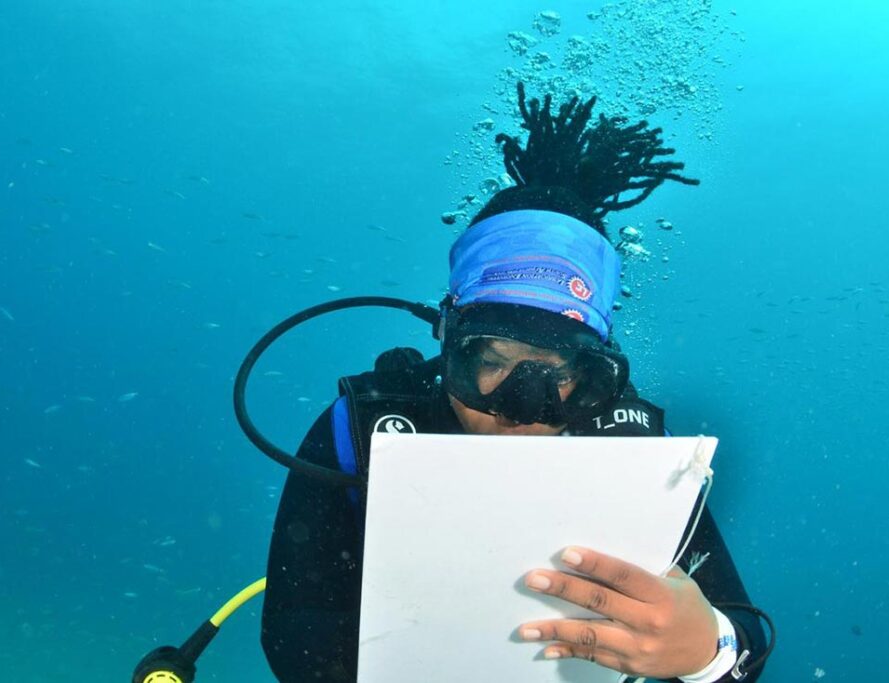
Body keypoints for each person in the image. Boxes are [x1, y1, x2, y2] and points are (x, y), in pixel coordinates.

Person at [261, 83, 773, 683]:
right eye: (492, 359)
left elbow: (744, 640)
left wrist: (706, 651)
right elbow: (290, 635)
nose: (521, 407)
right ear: (448, 342)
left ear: (595, 376)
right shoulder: (364, 430)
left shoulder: (632, 455)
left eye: (558, 374)